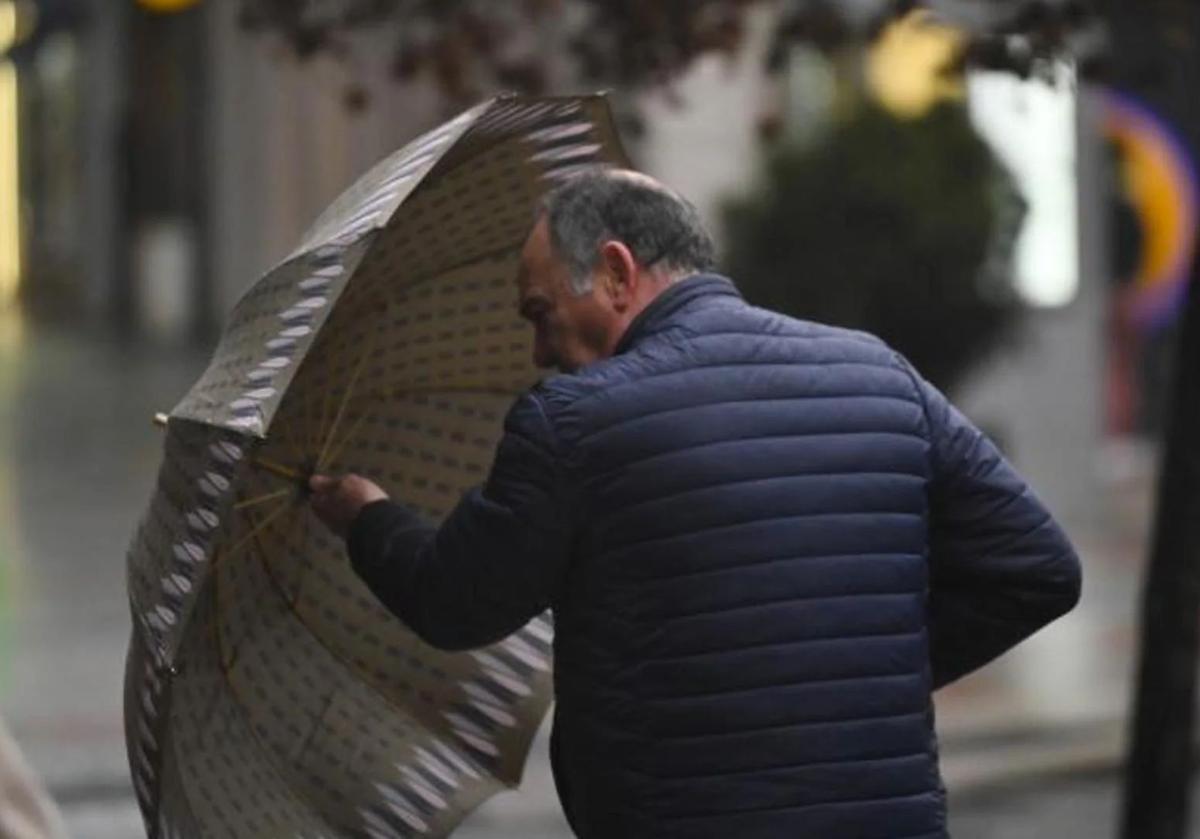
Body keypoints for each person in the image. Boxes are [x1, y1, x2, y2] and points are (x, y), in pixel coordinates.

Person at [309, 168, 1081, 838]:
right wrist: (870, 675)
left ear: (616, 271)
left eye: (539, 313)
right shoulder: (880, 375)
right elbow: (1039, 568)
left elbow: (454, 601)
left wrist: (368, 515)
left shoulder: (571, 423)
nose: (538, 352)